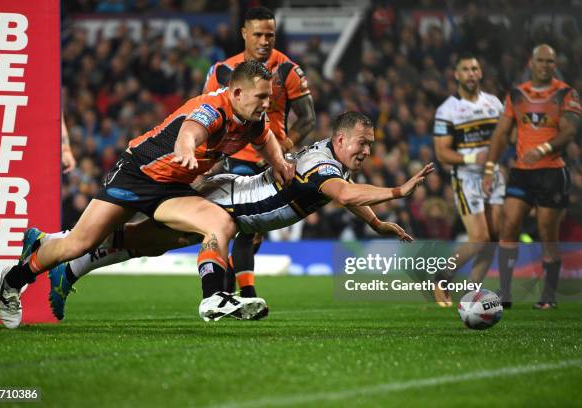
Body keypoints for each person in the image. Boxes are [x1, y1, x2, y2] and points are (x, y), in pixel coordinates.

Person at [28, 112, 433, 322]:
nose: (366, 152)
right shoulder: (321, 162)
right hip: (225, 202)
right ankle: (57, 249)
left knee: (144, 243)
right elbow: (342, 193)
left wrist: (377, 223)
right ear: (342, 139)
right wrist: (397, 192)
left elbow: (343, 193)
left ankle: (68, 261)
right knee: (142, 239)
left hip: (235, 209)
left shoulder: (335, 160)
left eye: (370, 145)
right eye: (363, 144)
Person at [0, 61, 295, 328]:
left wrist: (279, 162)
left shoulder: (254, 119)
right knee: (77, 245)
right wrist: (186, 148)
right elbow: (190, 130)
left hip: (171, 188)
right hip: (136, 174)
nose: (267, 103)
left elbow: (265, 138)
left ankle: (214, 297)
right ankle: (13, 280)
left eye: (268, 96)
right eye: (261, 97)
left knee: (219, 223)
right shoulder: (213, 108)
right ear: (237, 93)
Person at [203, 6, 315, 299]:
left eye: (270, 35)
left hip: (272, 162)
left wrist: (287, 145)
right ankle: (247, 293)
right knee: (242, 225)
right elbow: (206, 113)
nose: (265, 41)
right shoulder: (222, 71)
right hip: (236, 158)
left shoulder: (288, 69)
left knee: (253, 233)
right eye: (258, 35)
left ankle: (228, 281)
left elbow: (308, 118)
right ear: (244, 34)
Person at [483, 44, 581, 309]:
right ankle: (505, 294)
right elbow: (502, 134)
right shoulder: (517, 95)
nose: (545, 65)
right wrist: (490, 168)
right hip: (521, 173)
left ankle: (548, 297)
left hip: (552, 172)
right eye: (541, 60)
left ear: (554, 64)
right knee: (509, 225)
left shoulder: (566, 94)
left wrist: (544, 148)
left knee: (547, 233)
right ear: (531, 62)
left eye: (550, 62)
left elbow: (569, 131)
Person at [432, 53, 505, 307]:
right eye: (466, 69)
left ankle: (472, 295)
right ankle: (442, 277)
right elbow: (442, 153)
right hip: (466, 178)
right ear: (457, 75)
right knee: (479, 238)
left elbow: (505, 135)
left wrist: (497, 163)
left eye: (475, 68)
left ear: (480, 73)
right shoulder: (447, 110)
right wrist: (475, 157)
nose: (471, 73)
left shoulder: (494, 104)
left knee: (494, 237)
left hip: (493, 174)